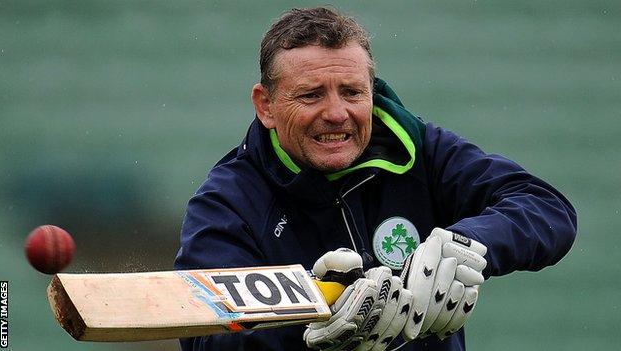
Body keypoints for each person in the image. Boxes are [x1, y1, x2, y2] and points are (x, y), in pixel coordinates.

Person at [174, 7, 577, 351]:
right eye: (311, 95)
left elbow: (547, 209)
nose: (336, 113)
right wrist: (314, 322)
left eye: (352, 92)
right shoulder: (226, 201)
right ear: (266, 106)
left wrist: (461, 248)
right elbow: (205, 338)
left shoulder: (419, 148)